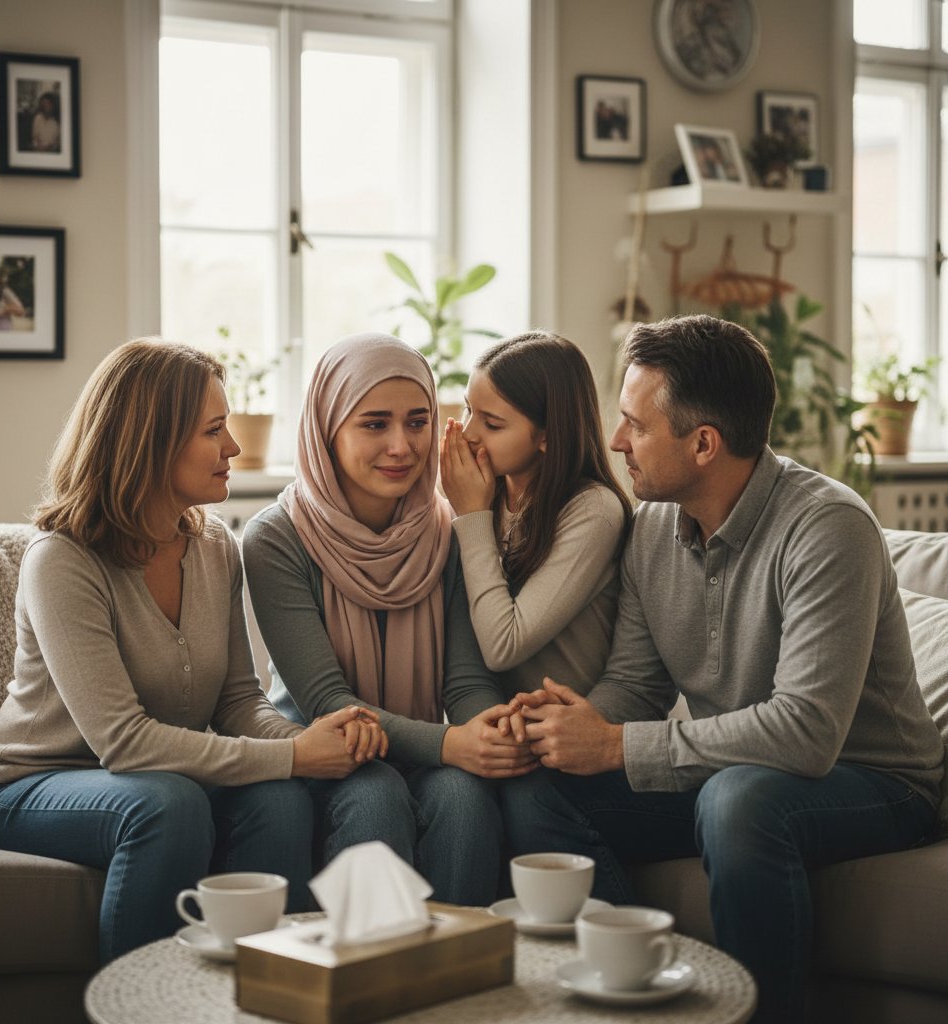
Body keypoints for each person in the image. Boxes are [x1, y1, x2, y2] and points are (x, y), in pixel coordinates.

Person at [505, 315, 943, 1023]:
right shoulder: (652, 527)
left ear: (703, 443)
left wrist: (615, 746)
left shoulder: (829, 528)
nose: (616, 442)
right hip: (734, 772)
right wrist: (558, 723)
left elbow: (806, 734)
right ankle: (637, 996)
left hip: (874, 781)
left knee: (738, 801)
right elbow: (638, 686)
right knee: (538, 791)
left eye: (634, 426)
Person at [0, 339, 387, 963]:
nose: (234, 449)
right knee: (170, 803)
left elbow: (239, 699)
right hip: (33, 786)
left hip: (160, 777)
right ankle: (143, 1003)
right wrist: (293, 755)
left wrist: (314, 736)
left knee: (279, 799)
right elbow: (125, 743)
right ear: (151, 441)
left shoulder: (216, 545)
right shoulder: (61, 561)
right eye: (214, 430)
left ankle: (274, 988)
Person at [242, 332, 536, 906]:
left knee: (465, 797)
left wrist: (490, 735)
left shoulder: (447, 530)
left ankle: (454, 977)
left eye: (418, 422)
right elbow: (329, 700)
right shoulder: (275, 538)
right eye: (374, 424)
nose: (402, 446)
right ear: (328, 428)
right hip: (324, 749)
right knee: (375, 794)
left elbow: (466, 680)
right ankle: (362, 980)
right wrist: (454, 744)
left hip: (424, 743)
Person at [438, 331, 632, 698]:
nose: (468, 434)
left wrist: (472, 516)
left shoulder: (594, 511)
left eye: (492, 424)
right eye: (467, 410)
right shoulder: (482, 492)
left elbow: (502, 647)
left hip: (571, 733)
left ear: (547, 436)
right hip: (500, 725)